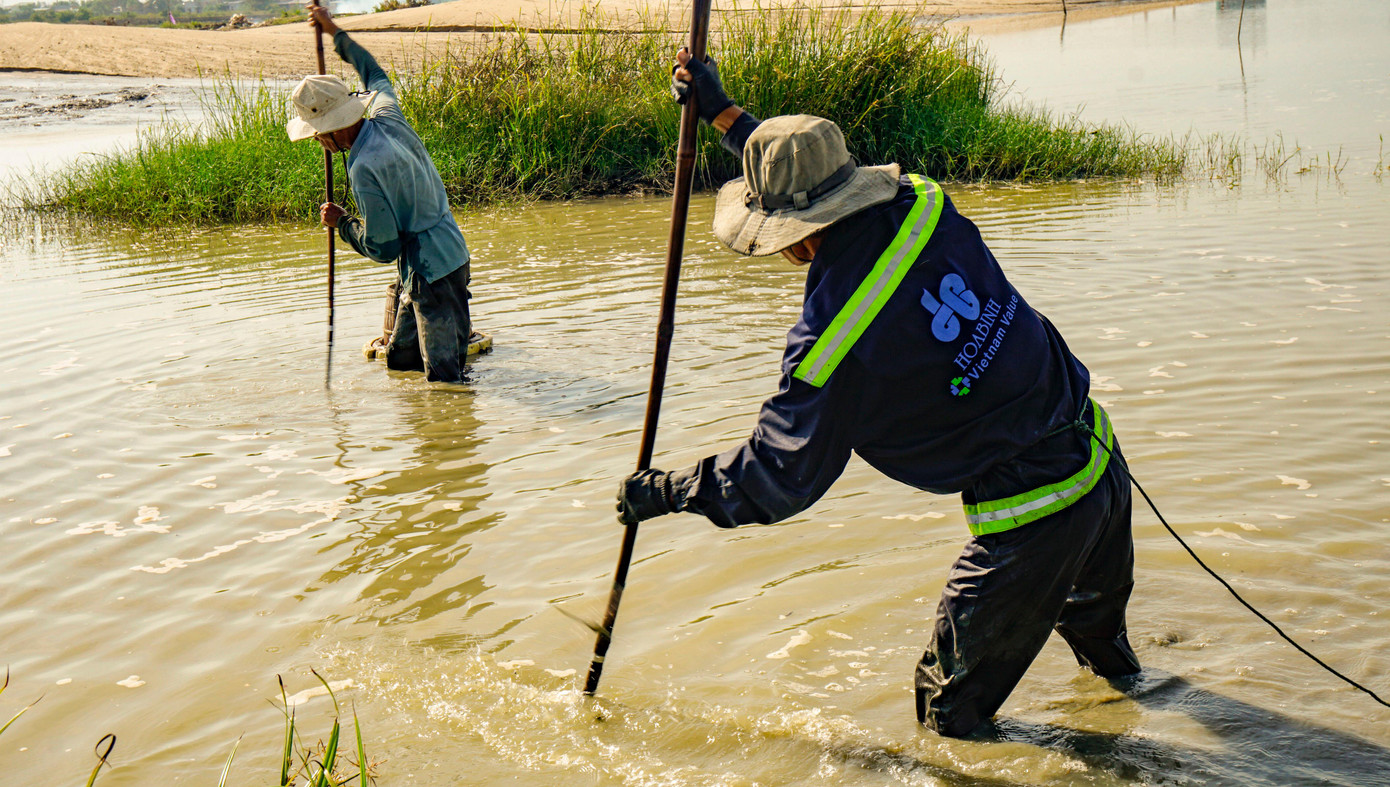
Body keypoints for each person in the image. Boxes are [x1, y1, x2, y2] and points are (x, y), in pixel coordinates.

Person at [615, 50, 1142, 738]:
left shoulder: (833, 341)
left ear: (793, 239)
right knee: (1112, 667)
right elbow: (813, 172)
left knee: (948, 714)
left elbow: (777, 479)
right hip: (1098, 458)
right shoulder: (924, 200)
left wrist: (666, 490)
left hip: (1035, 510)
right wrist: (724, 114)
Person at [287, 4, 474, 383]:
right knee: (402, 359)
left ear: (332, 132)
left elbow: (384, 246)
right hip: (447, 254)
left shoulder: (363, 168)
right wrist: (332, 30)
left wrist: (343, 224)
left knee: (446, 382)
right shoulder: (387, 111)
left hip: (430, 274)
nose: (318, 142)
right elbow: (372, 71)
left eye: (318, 135)